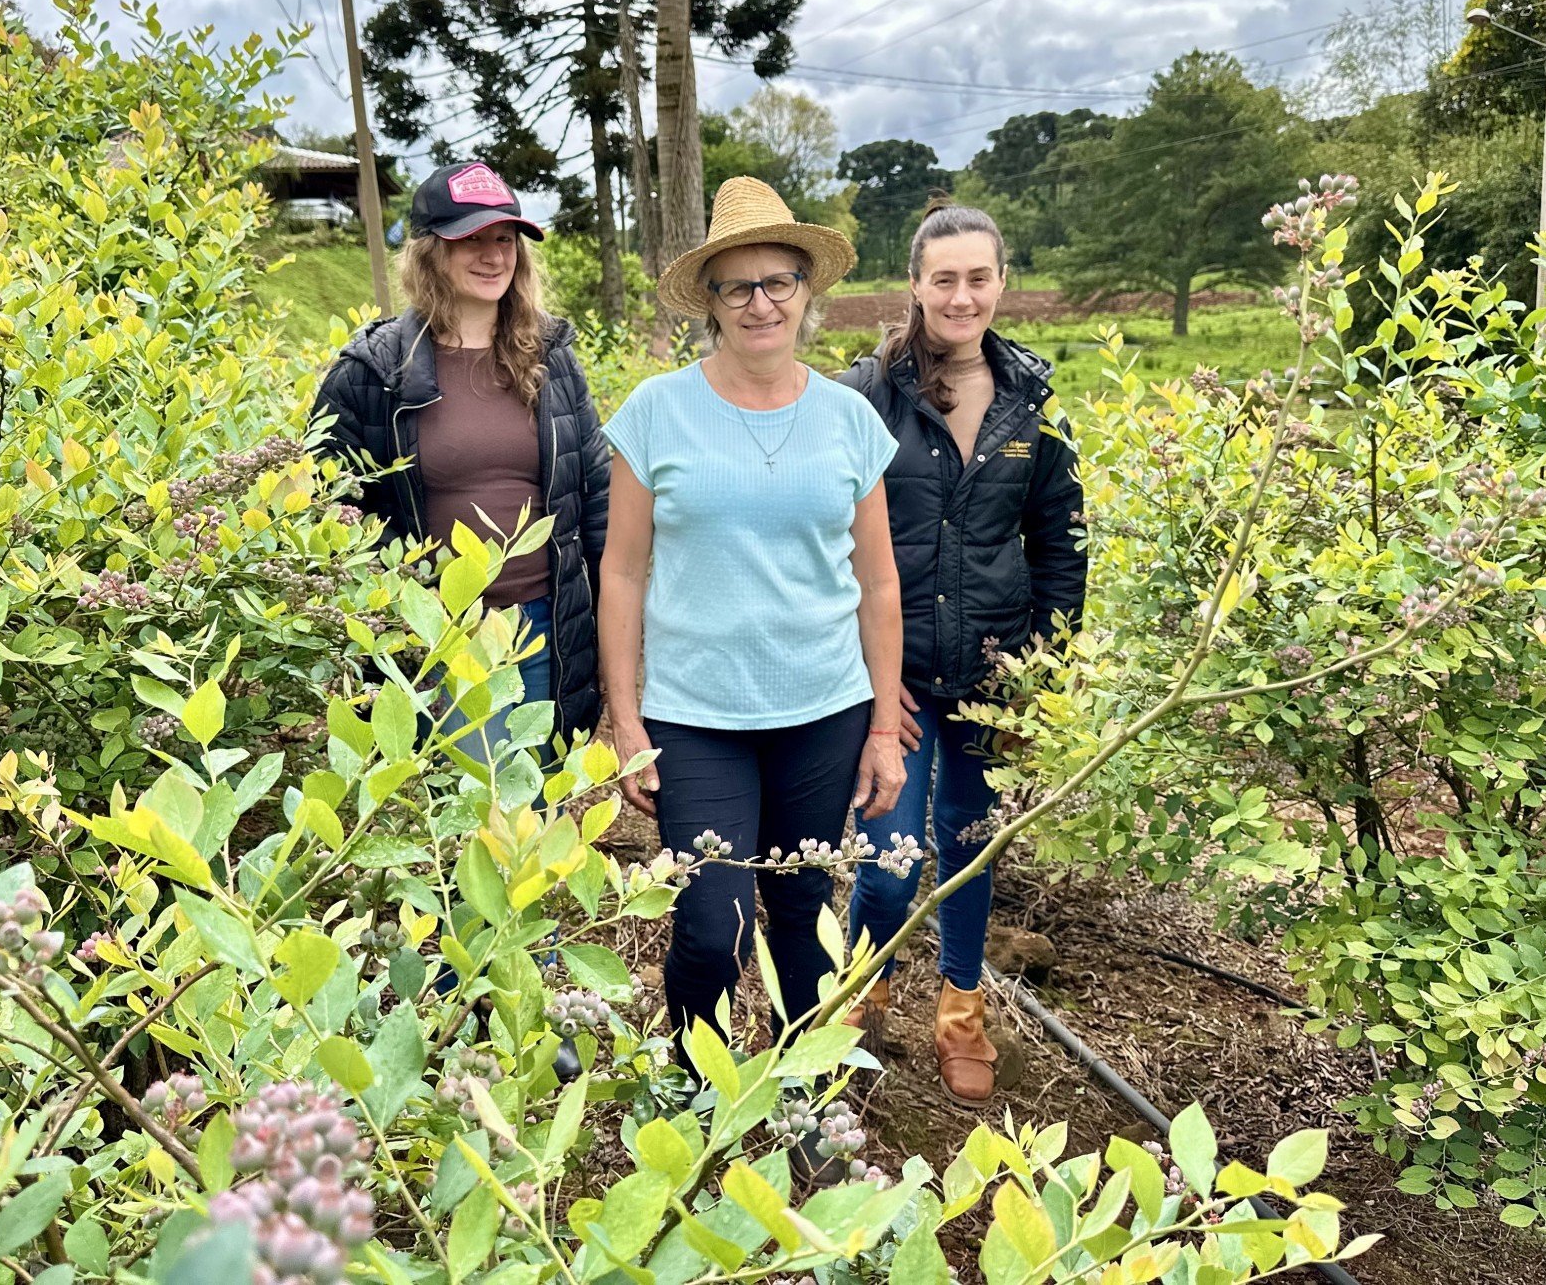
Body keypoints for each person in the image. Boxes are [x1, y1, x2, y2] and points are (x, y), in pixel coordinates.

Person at [599, 176, 906, 1053]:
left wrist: (884, 725)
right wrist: (625, 720)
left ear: (808, 292)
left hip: (824, 710)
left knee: (804, 912)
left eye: (779, 282)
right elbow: (621, 573)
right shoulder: (655, 411)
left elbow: (879, 584)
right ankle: (696, 1098)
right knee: (712, 925)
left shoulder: (850, 421)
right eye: (739, 285)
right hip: (697, 716)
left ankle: (804, 1096)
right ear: (712, 301)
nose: (761, 302)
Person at [836, 200, 1087, 1107]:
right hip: (890, 679)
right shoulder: (866, 394)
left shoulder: (1031, 404)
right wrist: (867, 679)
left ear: (1001, 284)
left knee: (971, 844)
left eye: (978, 277)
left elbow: (1060, 545)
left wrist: (1042, 681)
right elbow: (825, 537)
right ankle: (858, 996)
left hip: (992, 675)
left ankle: (961, 1012)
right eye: (944, 278)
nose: (962, 295)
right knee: (892, 858)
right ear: (915, 286)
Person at [310, 160, 610, 759]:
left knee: (524, 813)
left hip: (542, 627)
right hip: (437, 633)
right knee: (460, 820)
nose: (493, 256)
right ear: (429, 255)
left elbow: (595, 495)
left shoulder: (552, 362)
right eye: (469, 240)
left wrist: (603, 625)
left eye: (505, 239)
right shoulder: (371, 376)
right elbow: (327, 513)